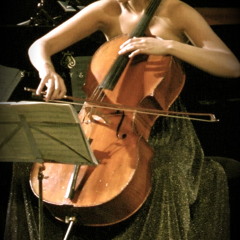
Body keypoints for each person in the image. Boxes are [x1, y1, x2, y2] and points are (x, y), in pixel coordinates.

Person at [4, 0, 240, 239]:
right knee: (28, 167)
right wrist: (48, 71)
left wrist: (170, 46)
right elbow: (40, 45)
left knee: (165, 173)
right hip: (102, 114)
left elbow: (231, 66)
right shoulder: (106, 9)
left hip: (159, 120)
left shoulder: (176, 10)